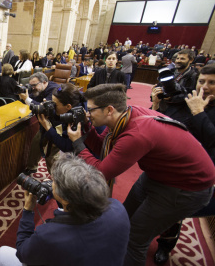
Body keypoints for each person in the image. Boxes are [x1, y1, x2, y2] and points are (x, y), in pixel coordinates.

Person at [67, 83, 215, 266]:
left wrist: (77, 143)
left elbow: (101, 171)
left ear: (109, 110)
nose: (87, 114)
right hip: (158, 174)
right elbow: (100, 146)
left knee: (136, 239)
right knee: (123, 218)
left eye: (90, 110)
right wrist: (86, 128)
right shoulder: (124, 116)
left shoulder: (135, 133)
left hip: (186, 188)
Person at [0, 154, 130, 266]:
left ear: (66, 200)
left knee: (1, 253)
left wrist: (28, 211)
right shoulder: (118, 209)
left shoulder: (49, 236)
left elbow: (22, 252)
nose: (50, 182)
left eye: (54, 181)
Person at [152, 66, 215, 264]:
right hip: (169, 163)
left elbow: (212, 141)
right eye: (202, 81)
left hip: (195, 172)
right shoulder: (187, 99)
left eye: (211, 82)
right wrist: (157, 104)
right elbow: (165, 123)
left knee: (173, 214)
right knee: (154, 204)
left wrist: (198, 111)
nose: (205, 87)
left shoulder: (197, 105)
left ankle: (165, 246)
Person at [19, 72, 59, 175]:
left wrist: (27, 99)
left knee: (51, 156)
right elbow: (31, 99)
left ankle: (57, 181)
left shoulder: (54, 90)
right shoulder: (39, 89)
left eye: (34, 85)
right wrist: (22, 94)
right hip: (45, 124)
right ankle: (32, 167)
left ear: (44, 82)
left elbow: (43, 109)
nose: (32, 88)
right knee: (36, 143)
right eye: (30, 85)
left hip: (57, 126)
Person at [37, 83, 86, 156]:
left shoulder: (77, 117)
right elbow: (58, 115)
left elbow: (67, 147)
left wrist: (47, 127)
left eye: (55, 104)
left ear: (68, 106)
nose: (53, 106)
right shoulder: (74, 101)